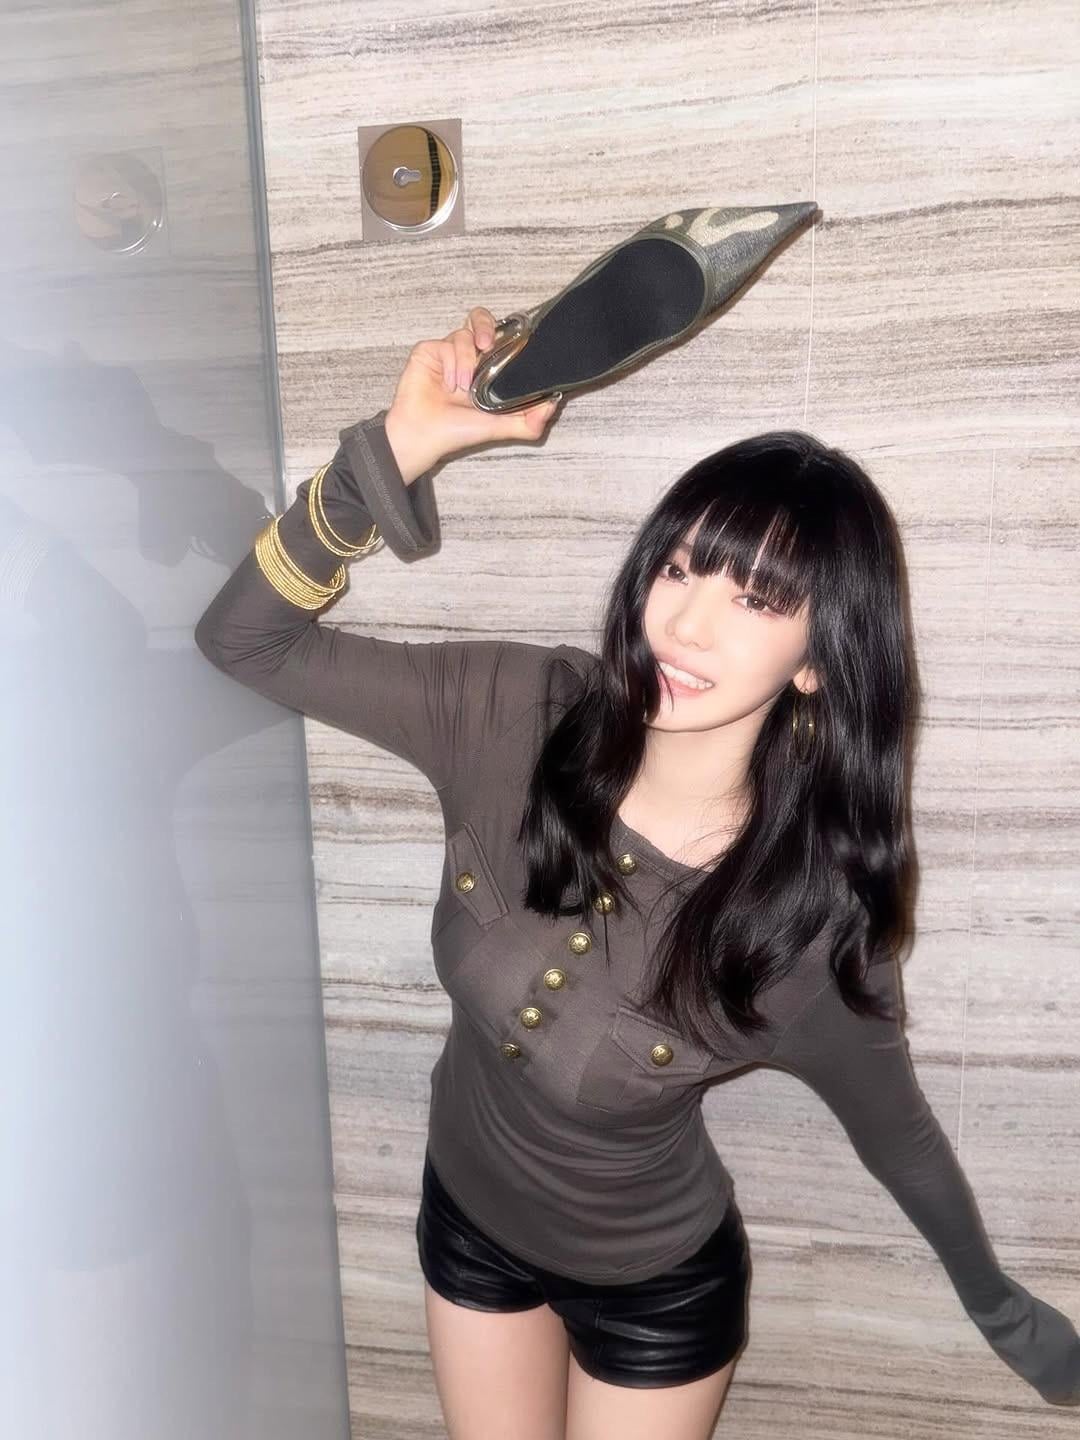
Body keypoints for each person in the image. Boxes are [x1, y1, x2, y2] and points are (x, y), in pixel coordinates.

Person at [195, 308, 1080, 1439]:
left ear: (819, 661)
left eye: (757, 599)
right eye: (679, 567)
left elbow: (898, 1133)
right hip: (464, 1223)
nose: (687, 624)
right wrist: (396, 452)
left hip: (652, 1296)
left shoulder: (807, 927)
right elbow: (245, 641)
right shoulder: (518, 715)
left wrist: (1003, 1313)